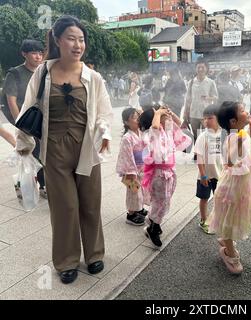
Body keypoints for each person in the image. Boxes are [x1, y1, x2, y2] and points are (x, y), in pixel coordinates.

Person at [15, 15, 113, 284]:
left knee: (91, 205)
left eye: (81, 39)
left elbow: (103, 112)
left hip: (87, 150)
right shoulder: (43, 72)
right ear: (58, 40)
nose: (77, 44)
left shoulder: (93, 77)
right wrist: (23, 147)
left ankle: (94, 254)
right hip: (55, 151)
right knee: (64, 208)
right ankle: (66, 261)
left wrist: (104, 132)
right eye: (71, 38)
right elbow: (27, 109)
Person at [207, 101, 251, 274]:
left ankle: (225, 240)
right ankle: (229, 252)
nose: (246, 112)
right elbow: (229, 161)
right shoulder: (232, 138)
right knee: (229, 220)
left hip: (242, 186)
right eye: (242, 110)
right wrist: (238, 143)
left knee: (234, 216)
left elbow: (248, 146)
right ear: (233, 122)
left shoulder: (241, 133)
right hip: (232, 188)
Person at [138, 106, 192, 247]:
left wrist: (171, 114)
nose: (166, 118)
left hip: (169, 172)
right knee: (161, 201)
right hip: (159, 174)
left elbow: (181, 124)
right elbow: (155, 126)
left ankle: (153, 221)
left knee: (164, 200)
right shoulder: (152, 133)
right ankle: (152, 228)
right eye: (162, 116)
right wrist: (158, 113)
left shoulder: (166, 131)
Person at [2, 39, 47, 198]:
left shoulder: (42, 72)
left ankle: (40, 185)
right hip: (23, 118)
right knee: (32, 150)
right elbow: (11, 100)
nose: (38, 56)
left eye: (40, 53)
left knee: (40, 151)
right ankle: (32, 186)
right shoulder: (15, 73)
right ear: (24, 54)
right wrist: (21, 124)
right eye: (34, 53)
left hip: (38, 117)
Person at [116, 108, 148, 226]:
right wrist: (131, 171)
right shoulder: (127, 138)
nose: (137, 120)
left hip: (142, 167)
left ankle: (138, 208)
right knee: (133, 193)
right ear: (126, 122)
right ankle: (131, 214)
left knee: (141, 191)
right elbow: (127, 155)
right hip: (132, 170)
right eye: (134, 118)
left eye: (137, 116)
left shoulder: (141, 132)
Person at [194, 105, 223, 234]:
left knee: (219, 197)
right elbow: (199, 158)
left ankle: (217, 219)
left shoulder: (223, 133)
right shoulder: (203, 137)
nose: (206, 121)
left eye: (210, 118)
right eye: (204, 119)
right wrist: (203, 175)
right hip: (205, 175)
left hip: (219, 173)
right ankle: (203, 220)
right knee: (204, 198)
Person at [184, 60, 218, 140]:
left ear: (206, 68)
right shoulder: (191, 82)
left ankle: (205, 152)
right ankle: (196, 152)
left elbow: (216, 97)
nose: (200, 69)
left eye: (202, 67)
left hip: (206, 114)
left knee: (205, 136)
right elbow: (188, 99)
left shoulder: (211, 82)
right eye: (198, 67)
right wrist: (186, 113)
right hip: (193, 114)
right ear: (196, 69)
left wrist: (208, 98)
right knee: (196, 136)